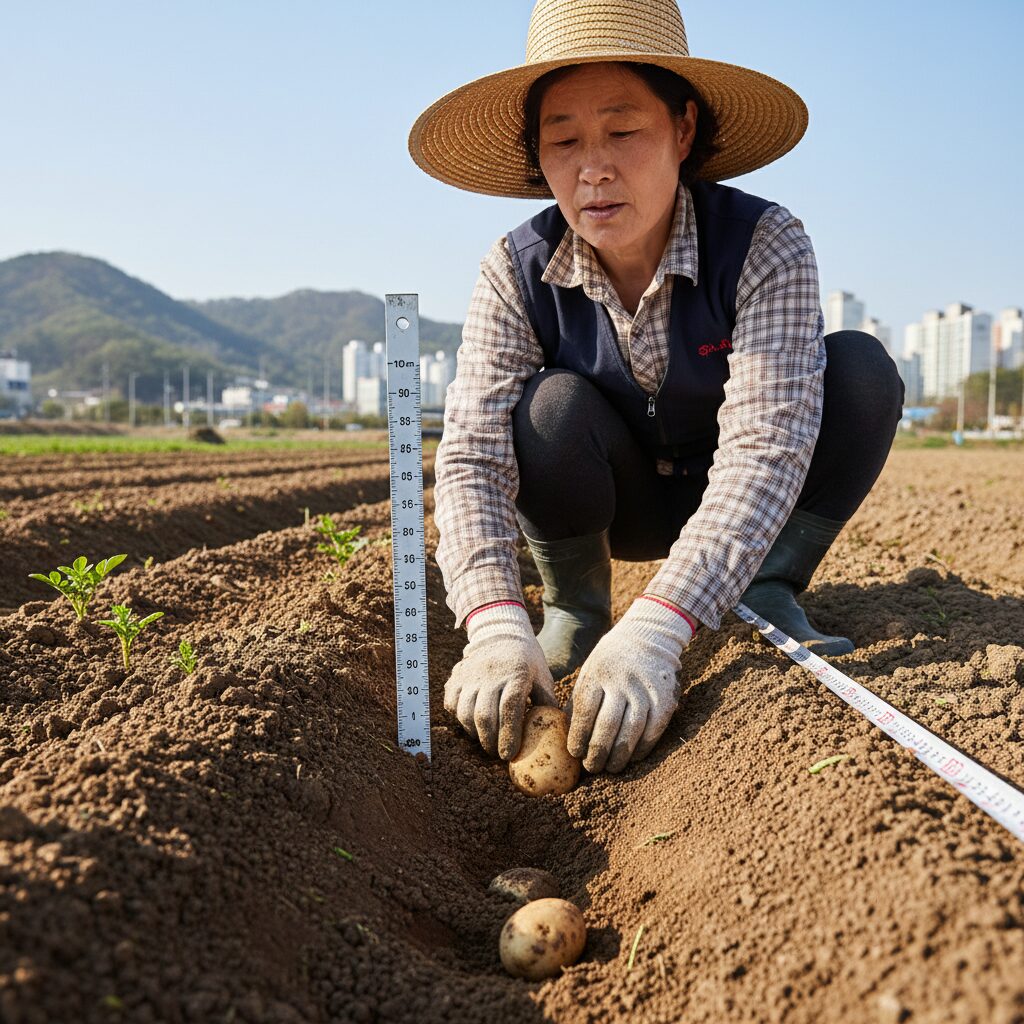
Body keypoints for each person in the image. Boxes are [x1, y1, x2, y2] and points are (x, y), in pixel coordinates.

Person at [407, 0, 905, 776]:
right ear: (538, 158)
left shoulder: (765, 242)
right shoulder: (516, 267)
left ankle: (766, 587)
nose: (592, 167)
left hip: (743, 503)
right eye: (563, 140)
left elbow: (765, 447)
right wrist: (494, 622)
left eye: (623, 131)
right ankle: (573, 604)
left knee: (860, 373)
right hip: (614, 500)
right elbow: (471, 454)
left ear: (683, 130)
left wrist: (662, 627)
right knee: (547, 409)